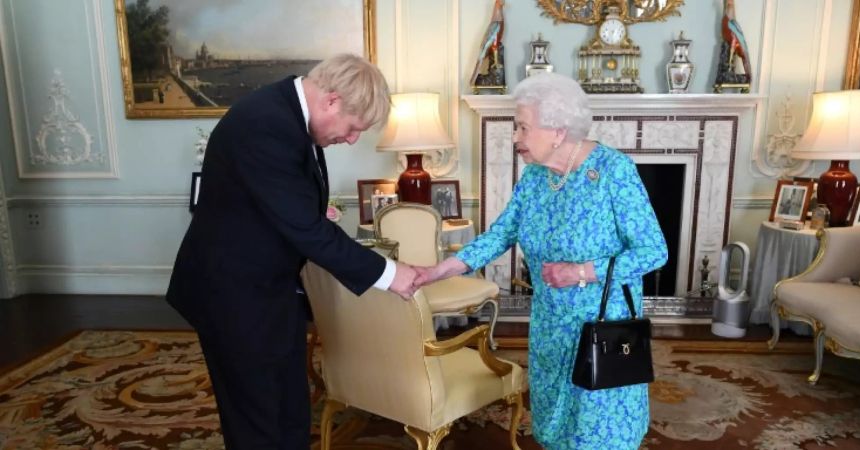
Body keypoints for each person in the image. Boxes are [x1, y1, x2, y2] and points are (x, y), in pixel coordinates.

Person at [166, 54, 421, 449]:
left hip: (270, 287)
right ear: (332, 101)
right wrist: (390, 273)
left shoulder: (288, 113)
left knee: (289, 407)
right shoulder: (265, 124)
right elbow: (305, 226)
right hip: (232, 294)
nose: (352, 140)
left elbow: (300, 215)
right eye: (354, 128)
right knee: (257, 419)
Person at [415, 72, 667, 449]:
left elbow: (654, 250)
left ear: (558, 131)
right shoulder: (535, 177)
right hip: (550, 325)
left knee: (597, 431)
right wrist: (439, 270)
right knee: (553, 426)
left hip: (601, 325)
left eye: (522, 128)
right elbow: (501, 233)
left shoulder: (614, 173)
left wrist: (581, 272)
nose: (515, 137)